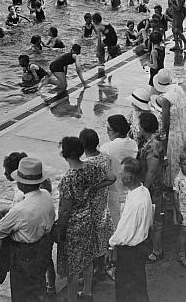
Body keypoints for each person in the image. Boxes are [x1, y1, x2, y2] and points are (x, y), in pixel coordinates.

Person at [57, 137, 112, 302]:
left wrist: (60, 230)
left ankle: (72, 298)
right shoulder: (91, 167)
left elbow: (65, 210)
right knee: (88, 258)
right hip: (88, 217)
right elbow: (112, 177)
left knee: (73, 266)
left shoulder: (68, 179)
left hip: (73, 223)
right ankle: (87, 292)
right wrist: (92, 187)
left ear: (66, 154)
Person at [0, 158, 54, 302]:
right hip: (42, 247)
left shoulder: (20, 209)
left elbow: (2, 231)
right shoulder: (46, 195)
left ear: (22, 183)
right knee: (38, 286)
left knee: (22, 292)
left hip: (23, 254)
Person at [108, 157, 152, 302]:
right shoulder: (143, 191)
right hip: (140, 247)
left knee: (125, 290)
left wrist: (111, 244)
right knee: (138, 286)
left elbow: (123, 233)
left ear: (130, 177)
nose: (119, 175)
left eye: (122, 173)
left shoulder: (135, 202)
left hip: (129, 252)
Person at [79, 129, 116, 280]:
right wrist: (100, 186)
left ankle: (91, 272)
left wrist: (92, 188)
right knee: (101, 238)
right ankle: (100, 268)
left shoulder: (85, 165)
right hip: (102, 203)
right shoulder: (104, 158)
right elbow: (111, 178)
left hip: (89, 208)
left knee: (90, 242)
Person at [151, 69, 186, 188]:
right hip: (185, 126)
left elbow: (166, 121)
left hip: (174, 132)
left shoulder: (165, 99)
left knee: (173, 158)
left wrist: (163, 137)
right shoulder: (178, 89)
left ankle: (175, 184)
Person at [135, 112, 165, 263]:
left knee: (155, 219)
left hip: (152, 188)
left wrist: (144, 190)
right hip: (152, 186)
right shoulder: (151, 141)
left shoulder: (153, 146)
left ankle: (157, 250)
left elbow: (151, 171)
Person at [100, 115, 138, 227]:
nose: (107, 132)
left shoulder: (107, 148)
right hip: (130, 189)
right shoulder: (133, 143)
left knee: (116, 225)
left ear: (117, 132)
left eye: (109, 130)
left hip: (114, 192)